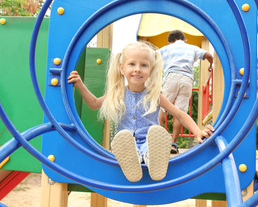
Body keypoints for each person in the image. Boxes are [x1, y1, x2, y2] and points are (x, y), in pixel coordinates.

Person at [68, 42, 214, 182]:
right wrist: (80, 85)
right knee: (124, 140)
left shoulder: (155, 95)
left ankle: (153, 158)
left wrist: (197, 132)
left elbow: (179, 114)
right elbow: (94, 104)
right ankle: (133, 159)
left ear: (150, 70)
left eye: (144, 65)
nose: (138, 69)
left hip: (148, 142)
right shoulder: (117, 93)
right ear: (122, 68)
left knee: (152, 143)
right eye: (132, 64)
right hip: (127, 144)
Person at [158, 30, 214, 154]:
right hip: (187, 80)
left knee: (161, 107)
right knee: (180, 112)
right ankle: (173, 143)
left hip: (171, 77)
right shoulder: (191, 47)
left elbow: (151, 56)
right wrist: (210, 65)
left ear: (169, 42)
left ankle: (155, 140)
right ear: (185, 40)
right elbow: (209, 55)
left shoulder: (167, 48)